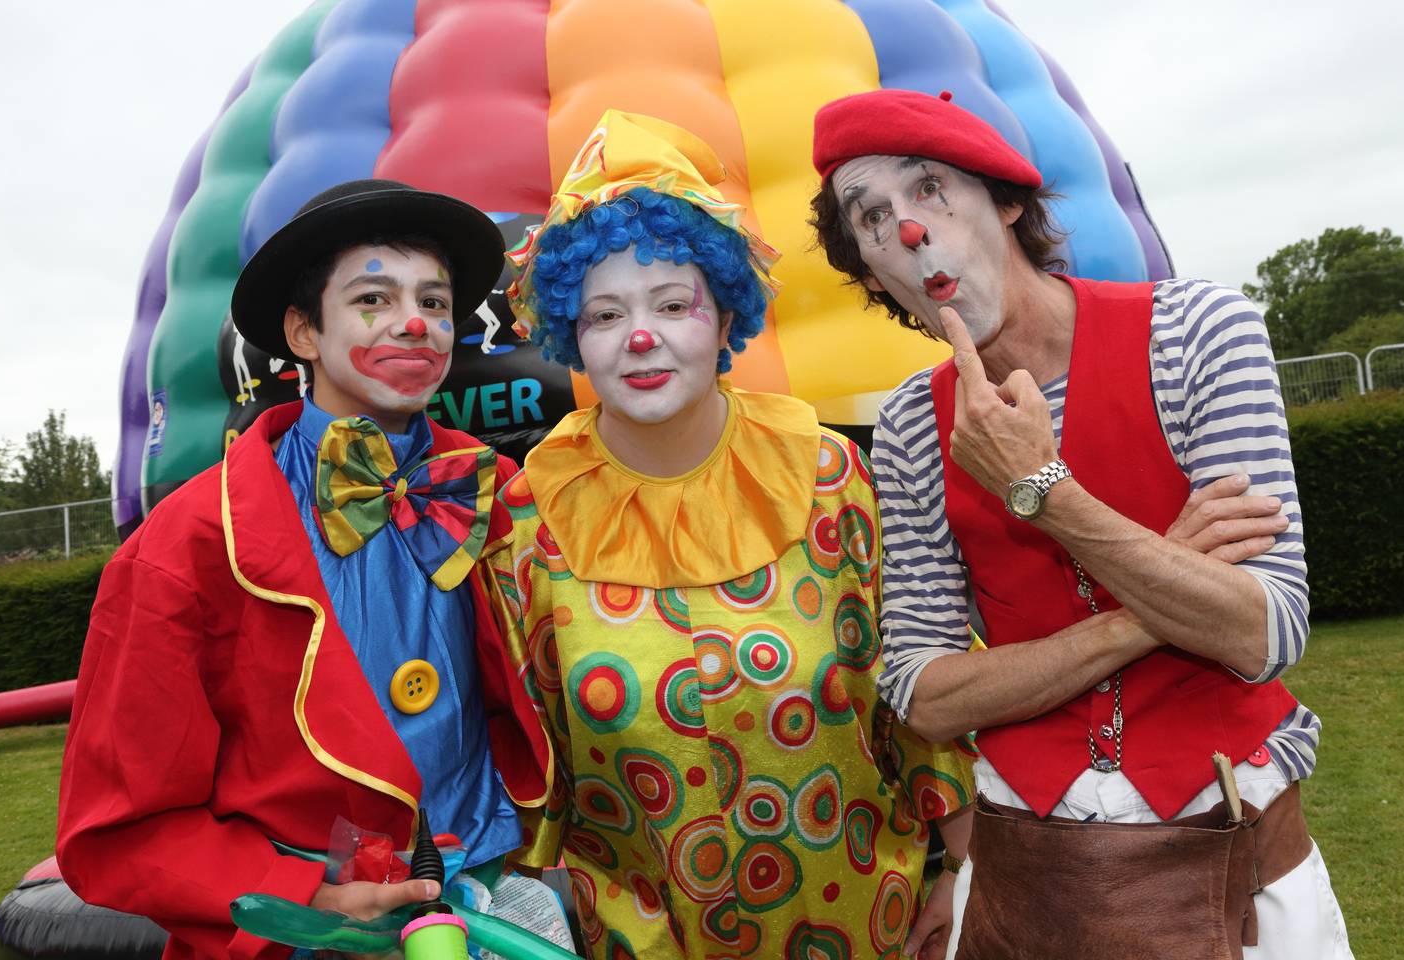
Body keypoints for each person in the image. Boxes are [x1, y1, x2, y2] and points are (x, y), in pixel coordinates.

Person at [808, 88, 1353, 958]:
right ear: (872, 274)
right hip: (1025, 886)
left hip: (1241, 878)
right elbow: (926, 694)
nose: (909, 229)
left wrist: (1042, 492)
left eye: (931, 190)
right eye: (872, 218)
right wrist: (1154, 603)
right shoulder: (913, 423)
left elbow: (1265, 629)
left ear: (1011, 201)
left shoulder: (1200, 332)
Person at [486, 109, 976, 959]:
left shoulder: (827, 476)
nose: (641, 337)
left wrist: (964, 873)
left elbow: (922, 693)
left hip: (869, 925)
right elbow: (524, 756)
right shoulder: (530, 518)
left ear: (724, 316)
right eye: (605, 315)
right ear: (573, 336)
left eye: (673, 303)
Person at [57, 180, 552, 960]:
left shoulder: (505, 497)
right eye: (373, 299)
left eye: (434, 299)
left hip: (493, 898)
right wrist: (304, 897)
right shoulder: (182, 546)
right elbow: (118, 826)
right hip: (301, 940)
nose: (415, 323)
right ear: (303, 332)